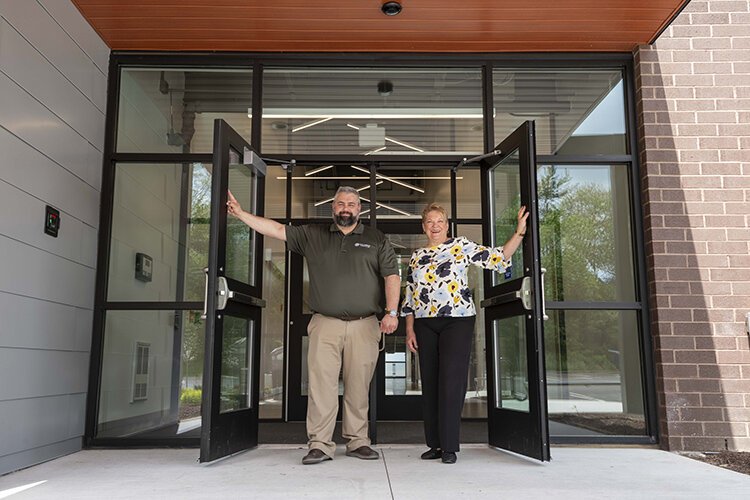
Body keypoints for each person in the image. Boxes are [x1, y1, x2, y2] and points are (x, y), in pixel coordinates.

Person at [227, 186, 400, 465]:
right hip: (325, 323)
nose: (346, 208)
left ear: (360, 209)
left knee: (358, 386)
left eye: (352, 204)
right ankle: (320, 444)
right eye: (341, 203)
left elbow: (392, 275)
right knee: (321, 387)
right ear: (333, 208)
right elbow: (275, 230)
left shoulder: (375, 238)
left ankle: (357, 441)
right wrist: (241, 214)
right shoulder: (313, 235)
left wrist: (392, 312)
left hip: (365, 324)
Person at [401, 202, 528, 464]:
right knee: (431, 383)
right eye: (429, 222)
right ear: (423, 227)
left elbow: (499, 257)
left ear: (447, 225)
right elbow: (410, 296)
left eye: (439, 221)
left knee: (451, 382)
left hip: (457, 321)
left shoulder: (461, 246)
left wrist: (520, 232)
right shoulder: (415, 256)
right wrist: (410, 329)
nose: (434, 226)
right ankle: (434, 444)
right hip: (425, 323)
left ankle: (449, 447)